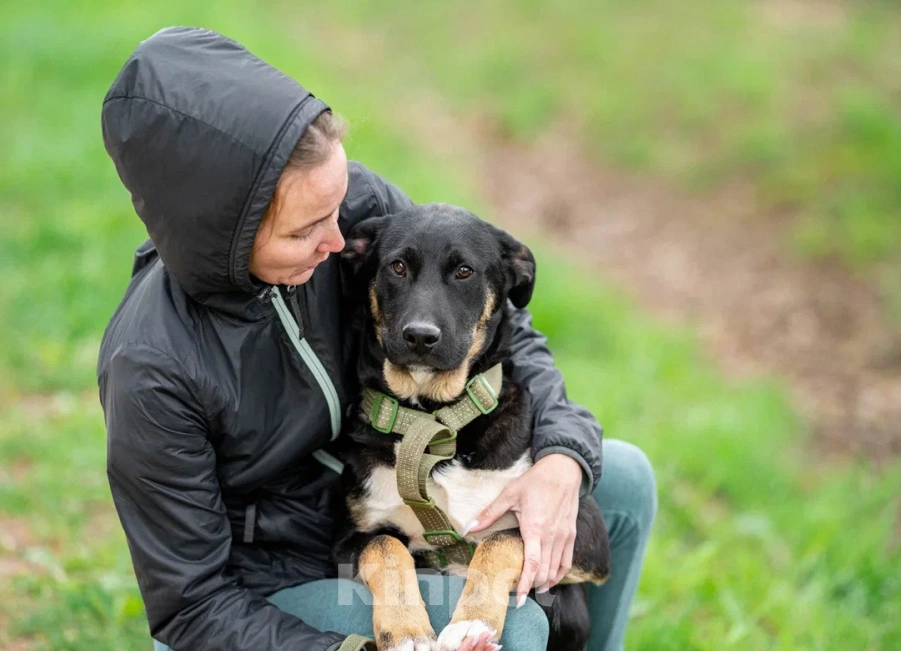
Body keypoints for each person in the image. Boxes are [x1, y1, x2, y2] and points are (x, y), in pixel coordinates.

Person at [98, 26, 656, 651]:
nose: (341, 242)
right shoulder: (153, 366)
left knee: (621, 478)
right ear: (225, 234)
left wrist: (560, 458)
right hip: (267, 590)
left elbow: (510, 331)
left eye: (338, 207)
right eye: (308, 229)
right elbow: (193, 609)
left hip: (386, 500)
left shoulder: (348, 206)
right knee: (515, 624)